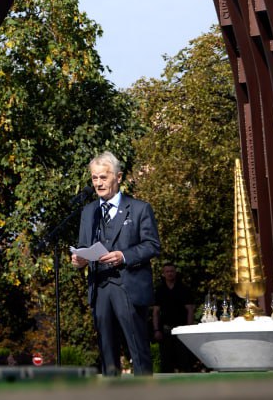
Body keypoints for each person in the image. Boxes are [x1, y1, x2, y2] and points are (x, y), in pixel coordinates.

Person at [70, 151, 161, 376]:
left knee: (137, 350)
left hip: (128, 286)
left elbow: (152, 245)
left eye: (103, 177)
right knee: (107, 353)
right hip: (100, 288)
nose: (98, 183)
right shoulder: (88, 211)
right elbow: (83, 246)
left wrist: (124, 256)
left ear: (118, 177)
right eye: (94, 178)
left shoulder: (140, 208)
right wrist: (78, 260)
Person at [151, 261, 197, 372]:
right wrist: (156, 330)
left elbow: (190, 310)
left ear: (175, 272)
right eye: (167, 271)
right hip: (166, 330)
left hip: (181, 330)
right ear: (163, 273)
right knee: (166, 362)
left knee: (184, 361)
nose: (170, 274)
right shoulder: (160, 291)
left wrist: (189, 329)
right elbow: (156, 312)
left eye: (171, 271)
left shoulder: (184, 289)